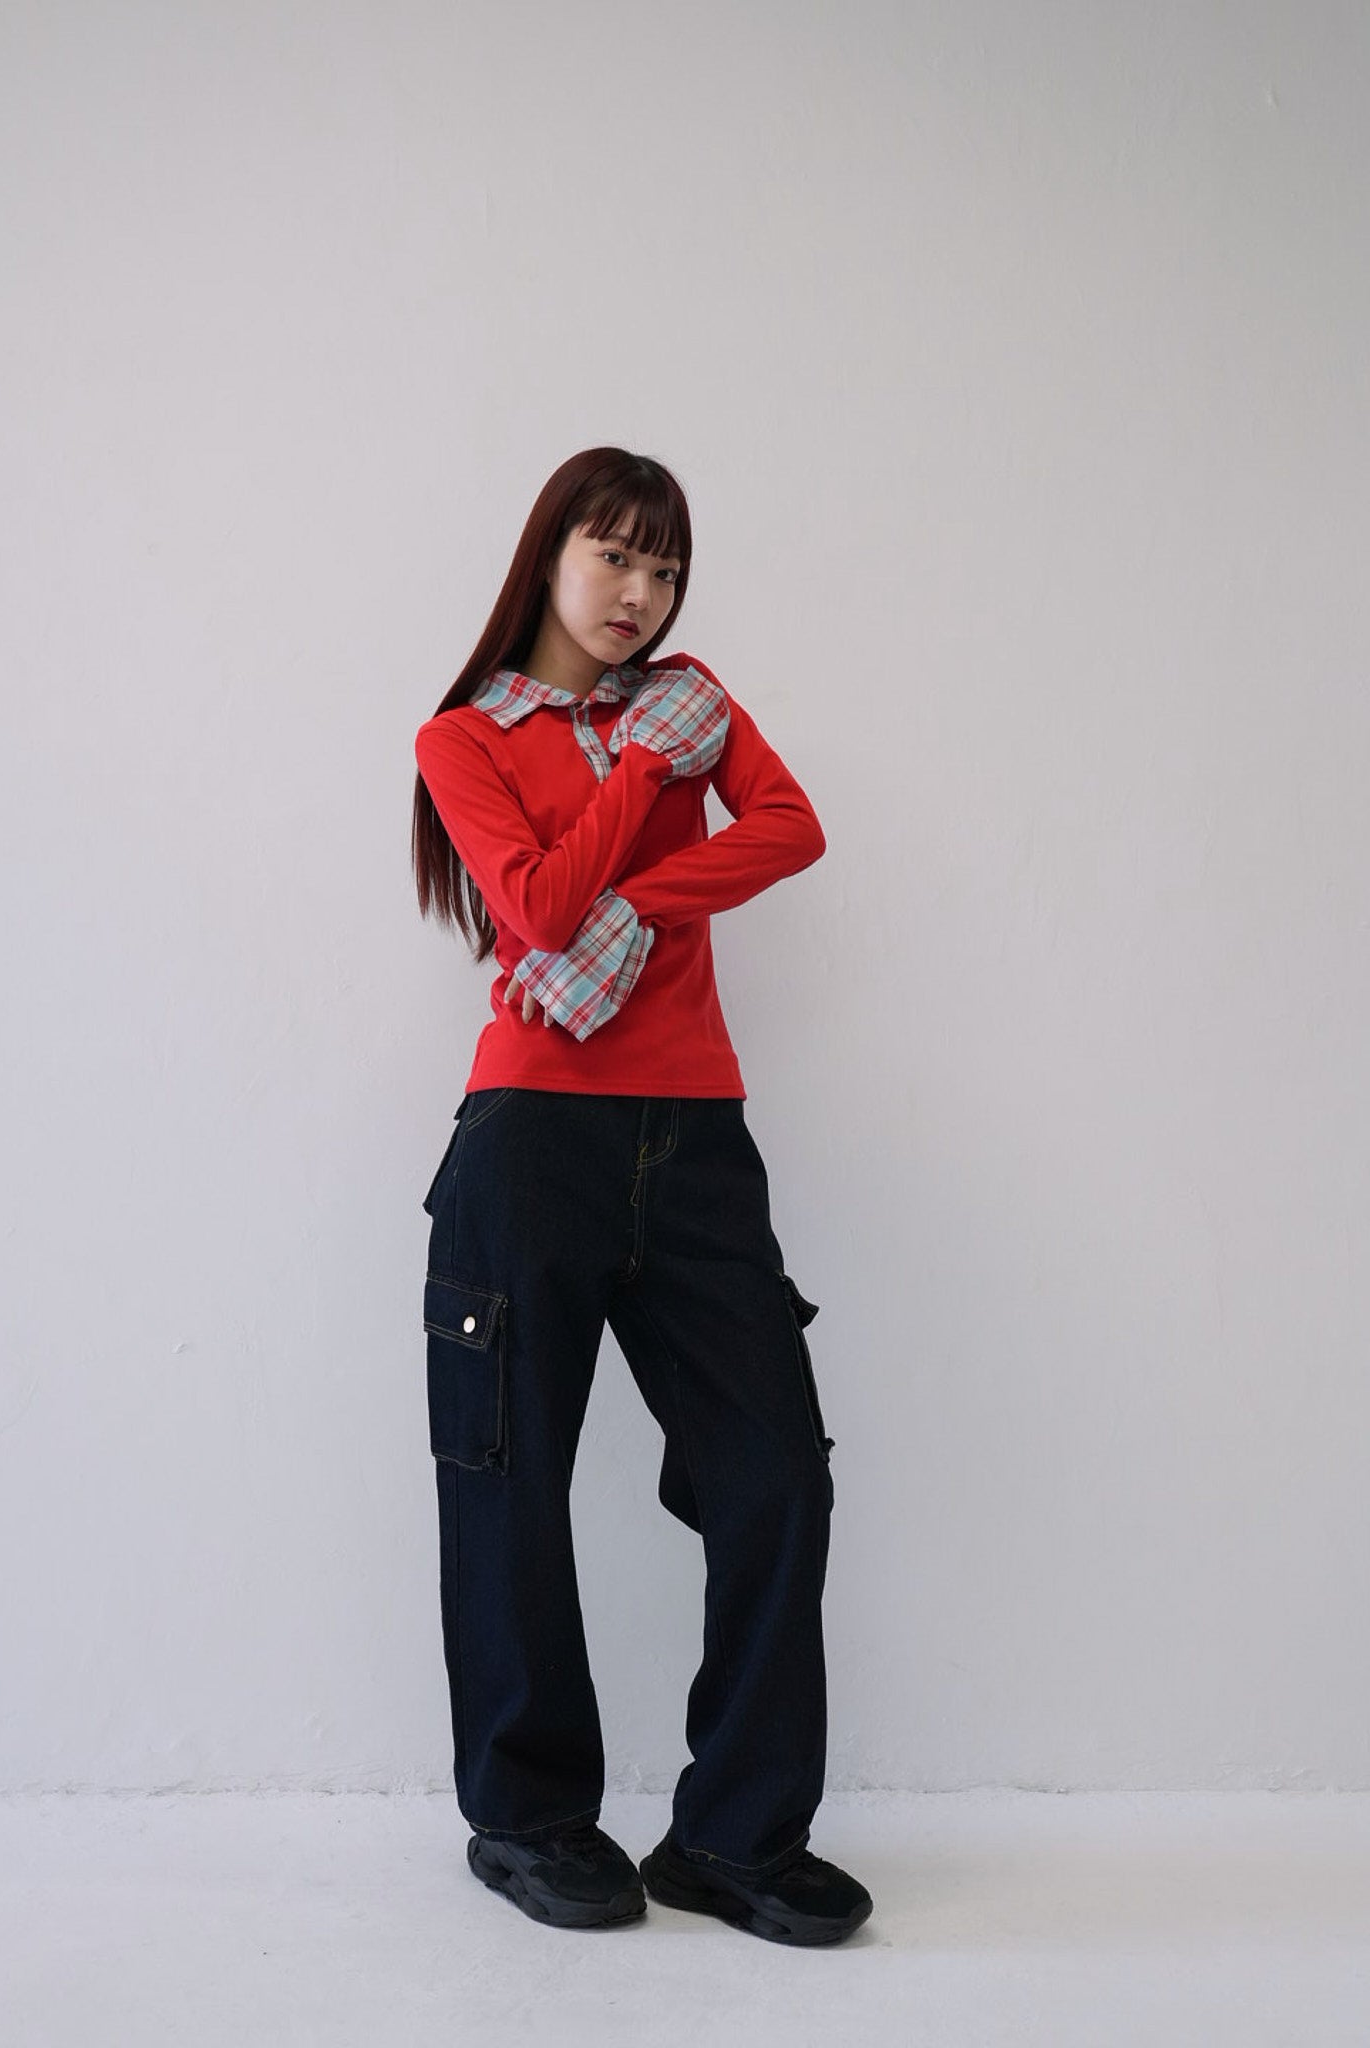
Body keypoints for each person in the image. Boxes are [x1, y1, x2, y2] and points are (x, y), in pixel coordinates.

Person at [410, 446, 873, 1948]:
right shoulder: (463, 741)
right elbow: (537, 909)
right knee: (509, 1481)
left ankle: (735, 1837)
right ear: (548, 554)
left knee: (775, 1474)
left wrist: (639, 892)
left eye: (665, 569)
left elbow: (791, 829)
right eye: (613, 555)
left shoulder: (691, 700)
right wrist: (643, 783)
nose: (640, 593)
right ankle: (529, 1818)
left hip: (696, 1136)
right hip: (529, 1140)